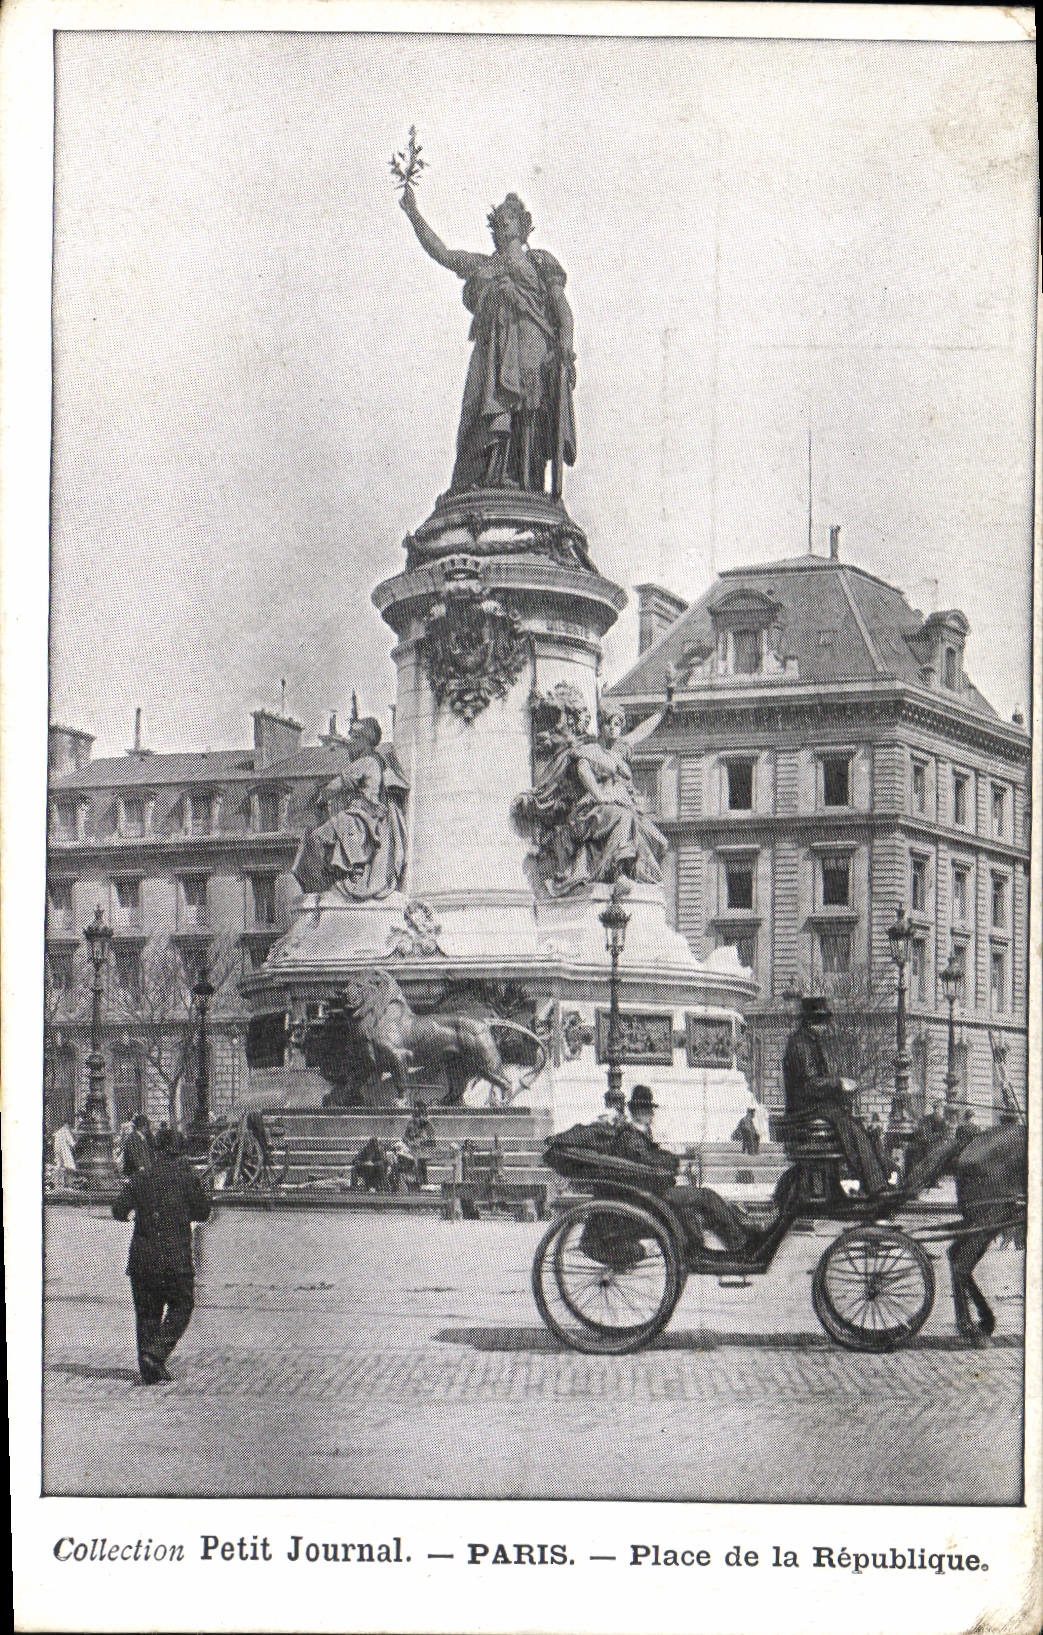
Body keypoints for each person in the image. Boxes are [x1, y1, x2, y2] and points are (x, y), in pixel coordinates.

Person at [399, 185, 576, 495]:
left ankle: (527, 484)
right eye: (498, 219)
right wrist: (414, 214)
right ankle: (488, 477)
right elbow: (444, 254)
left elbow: (562, 307)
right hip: (493, 351)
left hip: (532, 346)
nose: (502, 222)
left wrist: (566, 343)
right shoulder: (484, 265)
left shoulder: (540, 261)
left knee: (529, 412)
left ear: (524, 224)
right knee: (485, 409)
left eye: (509, 217)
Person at [516, 704, 667, 894]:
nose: (614, 727)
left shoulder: (619, 752)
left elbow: (640, 732)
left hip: (620, 807)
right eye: (609, 723)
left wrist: (664, 710)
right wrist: (600, 796)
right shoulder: (592, 749)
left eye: (618, 724)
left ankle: (640, 878)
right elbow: (583, 770)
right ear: (601, 726)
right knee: (623, 817)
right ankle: (617, 872)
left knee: (659, 841)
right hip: (592, 810)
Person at [112, 1125, 211, 1384]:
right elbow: (203, 1212)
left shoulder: (141, 1178)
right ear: (179, 1152)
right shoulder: (187, 1178)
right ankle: (156, 1355)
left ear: (156, 1150)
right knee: (182, 1305)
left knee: (147, 1314)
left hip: (142, 1260)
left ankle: (149, 1371)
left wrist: (136, 1212)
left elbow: (118, 1209)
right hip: (175, 1259)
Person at [618, 1085, 757, 1255]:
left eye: (649, 1109)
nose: (652, 1114)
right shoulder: (631, 1135)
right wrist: (674, 1162)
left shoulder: (637, 1133)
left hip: (654, 1190)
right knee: (706, 1196)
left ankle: (728, 1240)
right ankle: (739, 1242)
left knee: (698, 1203)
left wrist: (671, 1160)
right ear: (638, 1111)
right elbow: (651, 1161)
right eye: (647, 1109)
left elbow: (655, 1156)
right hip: (654, 1194)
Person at [782, 996, 892, 1199]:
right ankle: (876, 1185)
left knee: (855, 1124)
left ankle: (879, 1179)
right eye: (822, 1022)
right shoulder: (801, 1044)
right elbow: (810, 1085)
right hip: (804, 1108)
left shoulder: (808, 1042)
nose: (826, 1027)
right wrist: (839, 1083)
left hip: (813, 1106)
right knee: (849, 1127)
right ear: (812, 1022)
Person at [292, 718, 409, 901]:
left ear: (365, 740)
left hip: (361, 818)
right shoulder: (379, 760)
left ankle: (327, 884)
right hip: (369, 818)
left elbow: (335, 786)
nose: (349, 742)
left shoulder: (365, 762)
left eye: (354, 737)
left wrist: (317, 799)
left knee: (316, 837)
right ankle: (341, 876)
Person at [402, 1100, 437, 1186]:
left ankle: (421, 1182)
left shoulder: (428, 1126)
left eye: (420, 1114)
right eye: (415, 1114)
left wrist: (420, 1143)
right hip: (412, 1150)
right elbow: (404, 1138)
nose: (417, 1118)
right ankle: (409, 1182)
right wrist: (409, 1142)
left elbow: (433, 1143)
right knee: (405, 1157)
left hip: (424, 1152)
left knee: (419, 1159)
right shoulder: (410, 1123)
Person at [122, 1112, 155, 1178]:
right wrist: (140, 1167)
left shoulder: (141, 1137)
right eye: (147, 1126)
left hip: (142, 1172)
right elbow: (133, 1155)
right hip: (134, 1173)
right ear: (143, 1126)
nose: (149, 1128)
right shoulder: (133, 1138)